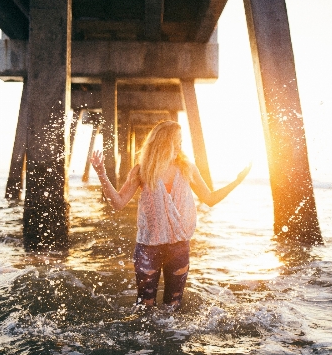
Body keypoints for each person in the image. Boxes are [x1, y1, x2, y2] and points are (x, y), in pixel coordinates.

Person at [91, 120, 251, 311]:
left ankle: (171, 339)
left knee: (172, 308)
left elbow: (209, 198)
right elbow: (118, 202)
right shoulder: (142, 170)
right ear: (164, 142)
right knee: (145, 307)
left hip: (178, 247)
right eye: (177, 140)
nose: (180, 145)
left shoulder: (187, 168)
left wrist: (237, 181)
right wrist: (101, 173)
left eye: (181, 141)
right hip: (148, 248)